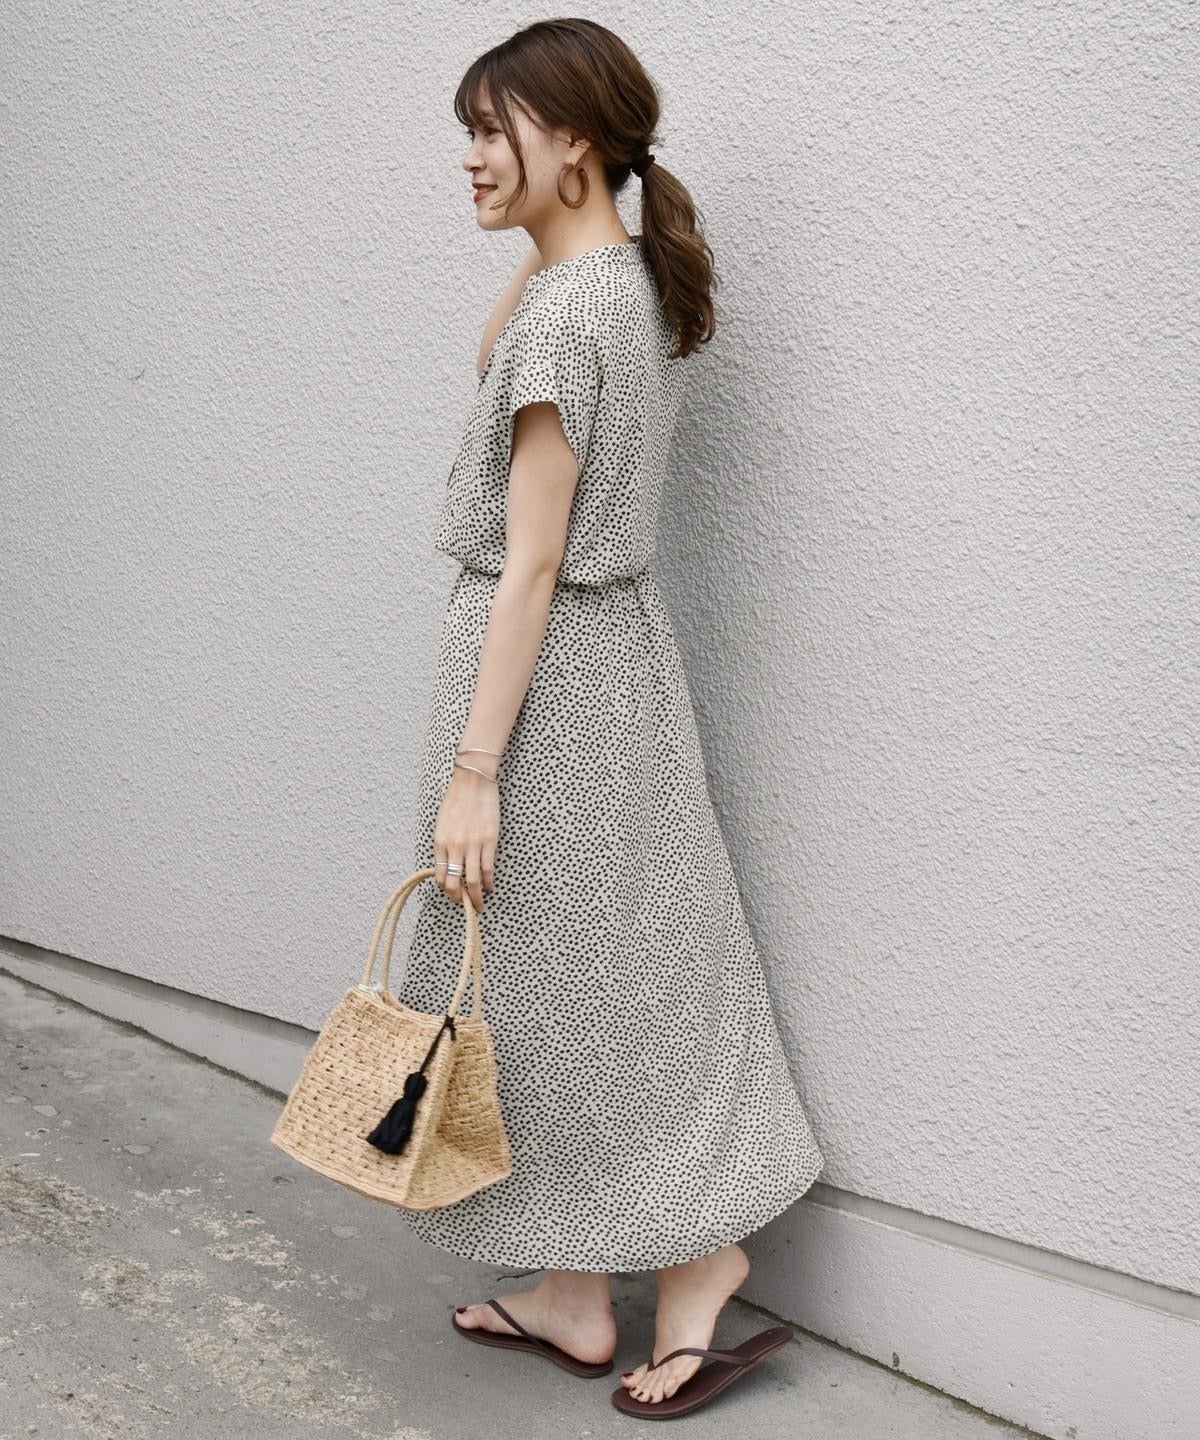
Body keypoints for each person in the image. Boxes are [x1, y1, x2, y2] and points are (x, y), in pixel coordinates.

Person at [391, 18, 825, 1419]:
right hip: (609, 673)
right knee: (578, 981)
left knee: (560, 986)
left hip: (551, 698)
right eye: (469, 131)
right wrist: (548, 229)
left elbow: (530, 561)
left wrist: (476, 769)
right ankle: (576, 1290)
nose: (470, 158)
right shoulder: (613, 283)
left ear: (574, 140)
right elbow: (498, 349)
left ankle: (695, 1260)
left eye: (494, 130)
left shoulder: (571, 316)